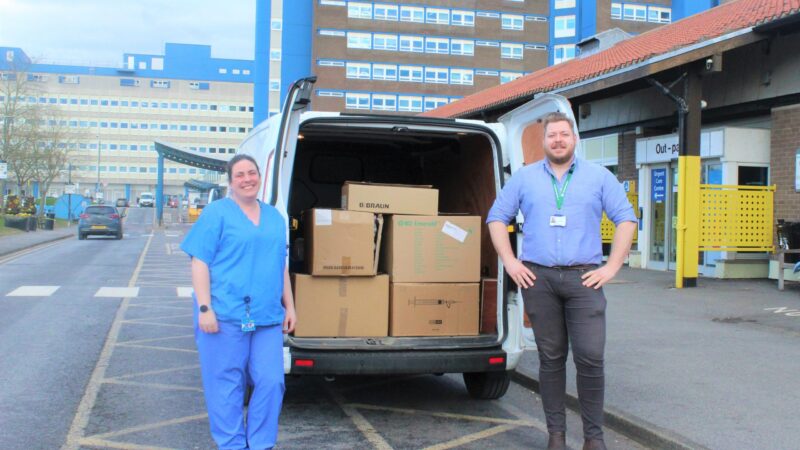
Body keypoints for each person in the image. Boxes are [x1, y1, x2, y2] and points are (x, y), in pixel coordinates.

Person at [486, 112, 636, 450]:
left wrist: (612, 267)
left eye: (563, 134)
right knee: (551, 359)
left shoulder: (599, 177)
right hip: (538, 279)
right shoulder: (524, 178)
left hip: (585, 280)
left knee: (590, 357)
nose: (558, 140)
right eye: (552, 135)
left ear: (574, 139)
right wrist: (510, 261)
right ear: (544, 141)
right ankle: (556, 436)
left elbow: (626, 219)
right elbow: (496, 217)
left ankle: (594, 439)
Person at [181, 153, 297, 450]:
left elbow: (280, 265)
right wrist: (204, 308)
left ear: (260, 176)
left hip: (267, 316)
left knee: (271, 381)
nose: (247, 179)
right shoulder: (216, 213)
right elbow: (199, 261)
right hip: (224, 315)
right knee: (226, 385)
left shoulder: (275, 218)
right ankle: (232, 444)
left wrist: (290, 306)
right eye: (240, 175)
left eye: (251, 173)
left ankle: (260, 443)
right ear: (231, 182)